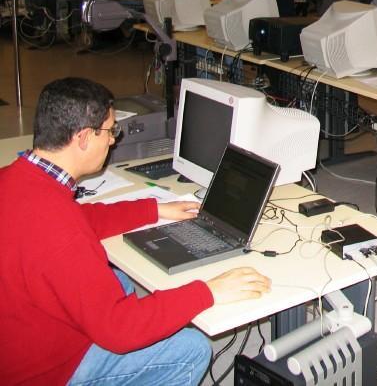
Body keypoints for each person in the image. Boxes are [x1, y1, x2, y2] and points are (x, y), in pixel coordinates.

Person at [0, 77, 270, 384]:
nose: (113, 140)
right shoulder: (60, 227)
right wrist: (209, 291)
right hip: (42, 371)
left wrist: (153, 210)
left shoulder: (15, 178)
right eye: (110, 131)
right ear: (84, 137)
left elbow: (78, 220)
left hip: (16, 336)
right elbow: (119, 330)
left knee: (121, 281)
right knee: (191, 349)